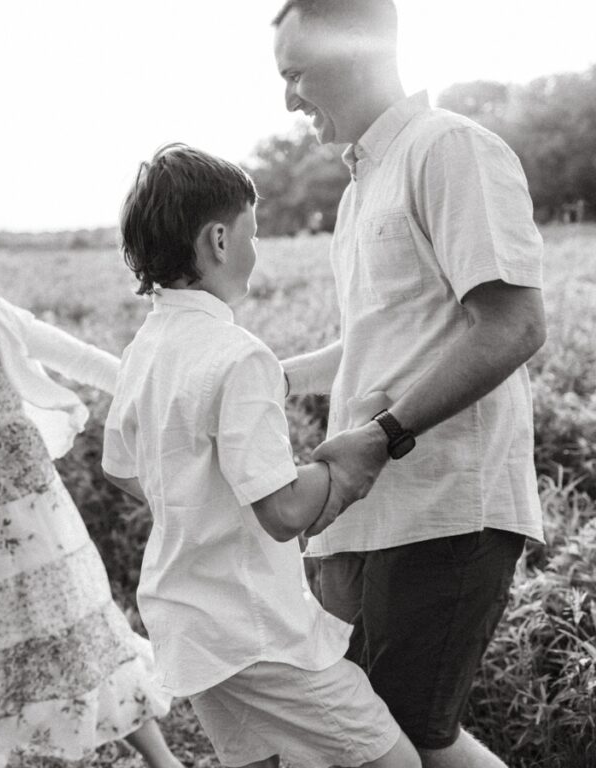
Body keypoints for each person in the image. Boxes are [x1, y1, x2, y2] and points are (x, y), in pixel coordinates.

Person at [271, 2, 547, 767]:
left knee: (410, 738)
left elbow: (512, 324)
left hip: (446, 507)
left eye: (295, 74)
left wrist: (381, 437)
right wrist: (263, 376)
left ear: (356, 50)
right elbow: (379, 343)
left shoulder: (450, 148)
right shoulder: (362, 187)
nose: (287, 99)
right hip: (372, 510)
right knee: (370, 736)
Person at [102, 143, 419, 768]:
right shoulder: (237, 354)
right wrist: (355, 455)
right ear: (220, 240)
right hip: (255, 630)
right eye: (255, 231)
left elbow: (119, 467)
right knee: (394, 762)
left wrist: (193, 503)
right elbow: (282, 513)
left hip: (187, 619)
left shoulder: (149, 344)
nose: (258, 248)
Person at [0, 241, 181, 768]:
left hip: (30, 515)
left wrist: (162, 396)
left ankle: (163, 762)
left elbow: (83, 361)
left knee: (72, 627)